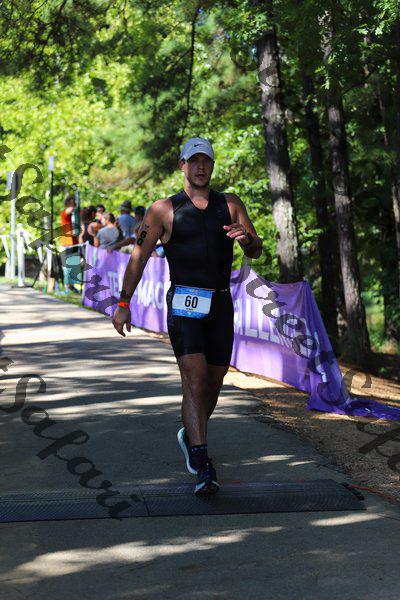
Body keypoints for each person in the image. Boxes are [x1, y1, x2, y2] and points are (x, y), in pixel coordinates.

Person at [112, 137, 262, 495]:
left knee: (213, 382)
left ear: (212, 165)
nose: (200, 167)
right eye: (193, 161)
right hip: (184, 303)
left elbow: (256, 249)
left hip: (221, 303)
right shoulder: (163, 210)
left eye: (205, 161)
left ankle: (191, 433)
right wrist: (123, 303)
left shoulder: (230, 204)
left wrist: (246, 239)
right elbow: (138, 257)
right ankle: (202, 461)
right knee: (194, 379)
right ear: (182, 165)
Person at [60, 194, 80, 293]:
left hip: (75, 242)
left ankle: (72, 285)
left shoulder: (75, 213)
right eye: (72, 203)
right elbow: (70, 210)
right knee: (68, 265)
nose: (74, 205)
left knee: (74, 264)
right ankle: (67, 285)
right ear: (67, 203)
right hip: (67, 242)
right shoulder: (64, 213)